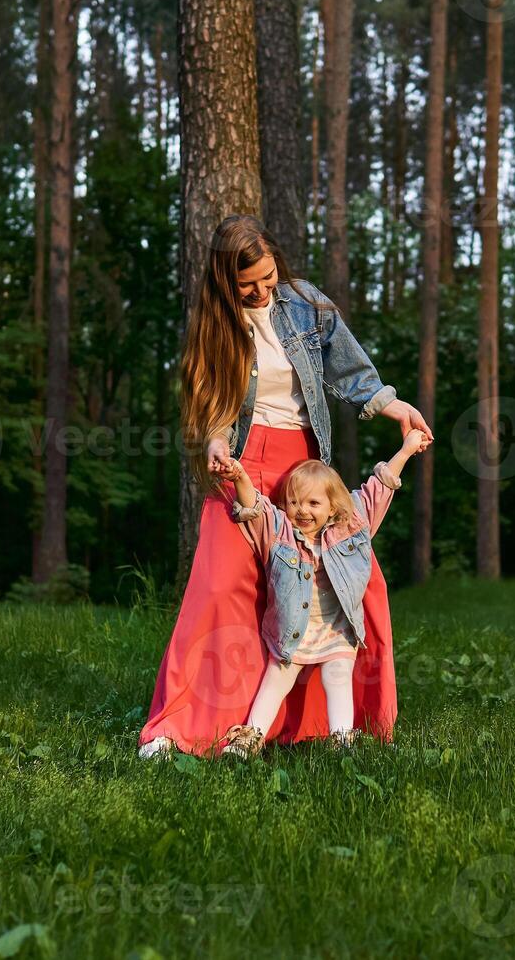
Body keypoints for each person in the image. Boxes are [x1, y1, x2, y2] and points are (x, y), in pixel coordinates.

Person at [137, 215, 433, 758]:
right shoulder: (214, 326)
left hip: (302, 470)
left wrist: (396, 409)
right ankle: (183, 728)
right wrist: (214, 445)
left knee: (353, 583)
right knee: (221, 586)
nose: (260, 290)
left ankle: (342, 724)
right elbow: (213, 406)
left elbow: (351, 374)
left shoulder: (305, 303)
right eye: (247, 284)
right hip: (244, 465)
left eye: (267, 277)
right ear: (226, 281)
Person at [213, 429, 431, 759]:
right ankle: (250, 737)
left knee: (338, 677)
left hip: (337, 631)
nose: (302, 510)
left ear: (332, 508)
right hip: (292, 634)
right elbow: (253, 505)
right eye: (294, 502)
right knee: (275, 683)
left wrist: (407, 449)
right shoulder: (280, 532)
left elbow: (380, 488)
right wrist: (240, 474)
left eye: (314, 503)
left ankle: (342, 738)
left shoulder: (352, 526)